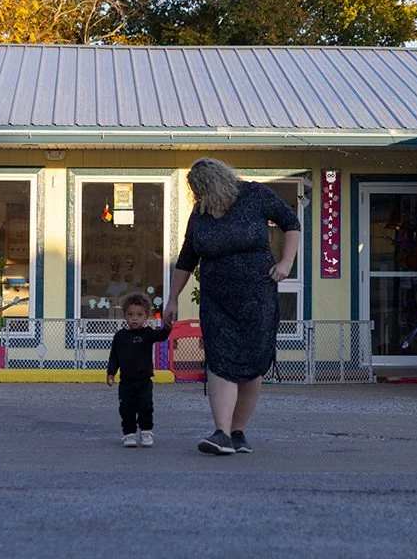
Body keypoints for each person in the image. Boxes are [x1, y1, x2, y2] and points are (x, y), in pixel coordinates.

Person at [163, 158, 300, 455]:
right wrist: (172, 298)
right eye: (196, 191)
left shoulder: (255, 195)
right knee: (220, 359)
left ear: (220, 181)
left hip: (257, 297)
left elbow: (291, 223)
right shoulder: (200, 213)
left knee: (252, 364)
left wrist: (286, 262)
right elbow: (187, 258)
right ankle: (221, 432)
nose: (200, 197)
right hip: (216, 300)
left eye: (204, 189)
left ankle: (238, 432)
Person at [106, 291, 173, 448]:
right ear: (125, 316)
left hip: (144, 381)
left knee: (146, 407)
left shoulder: (148, 333)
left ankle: (146, 432)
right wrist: (111, 372)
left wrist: (168, 326)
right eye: (130, 314)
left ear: (146, 316)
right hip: (126, 382)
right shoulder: (120, 336)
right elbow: (114, 356)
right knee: (126, 408)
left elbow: (162, 336)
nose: (134, 318)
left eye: (139, 315)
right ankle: (129, 434)